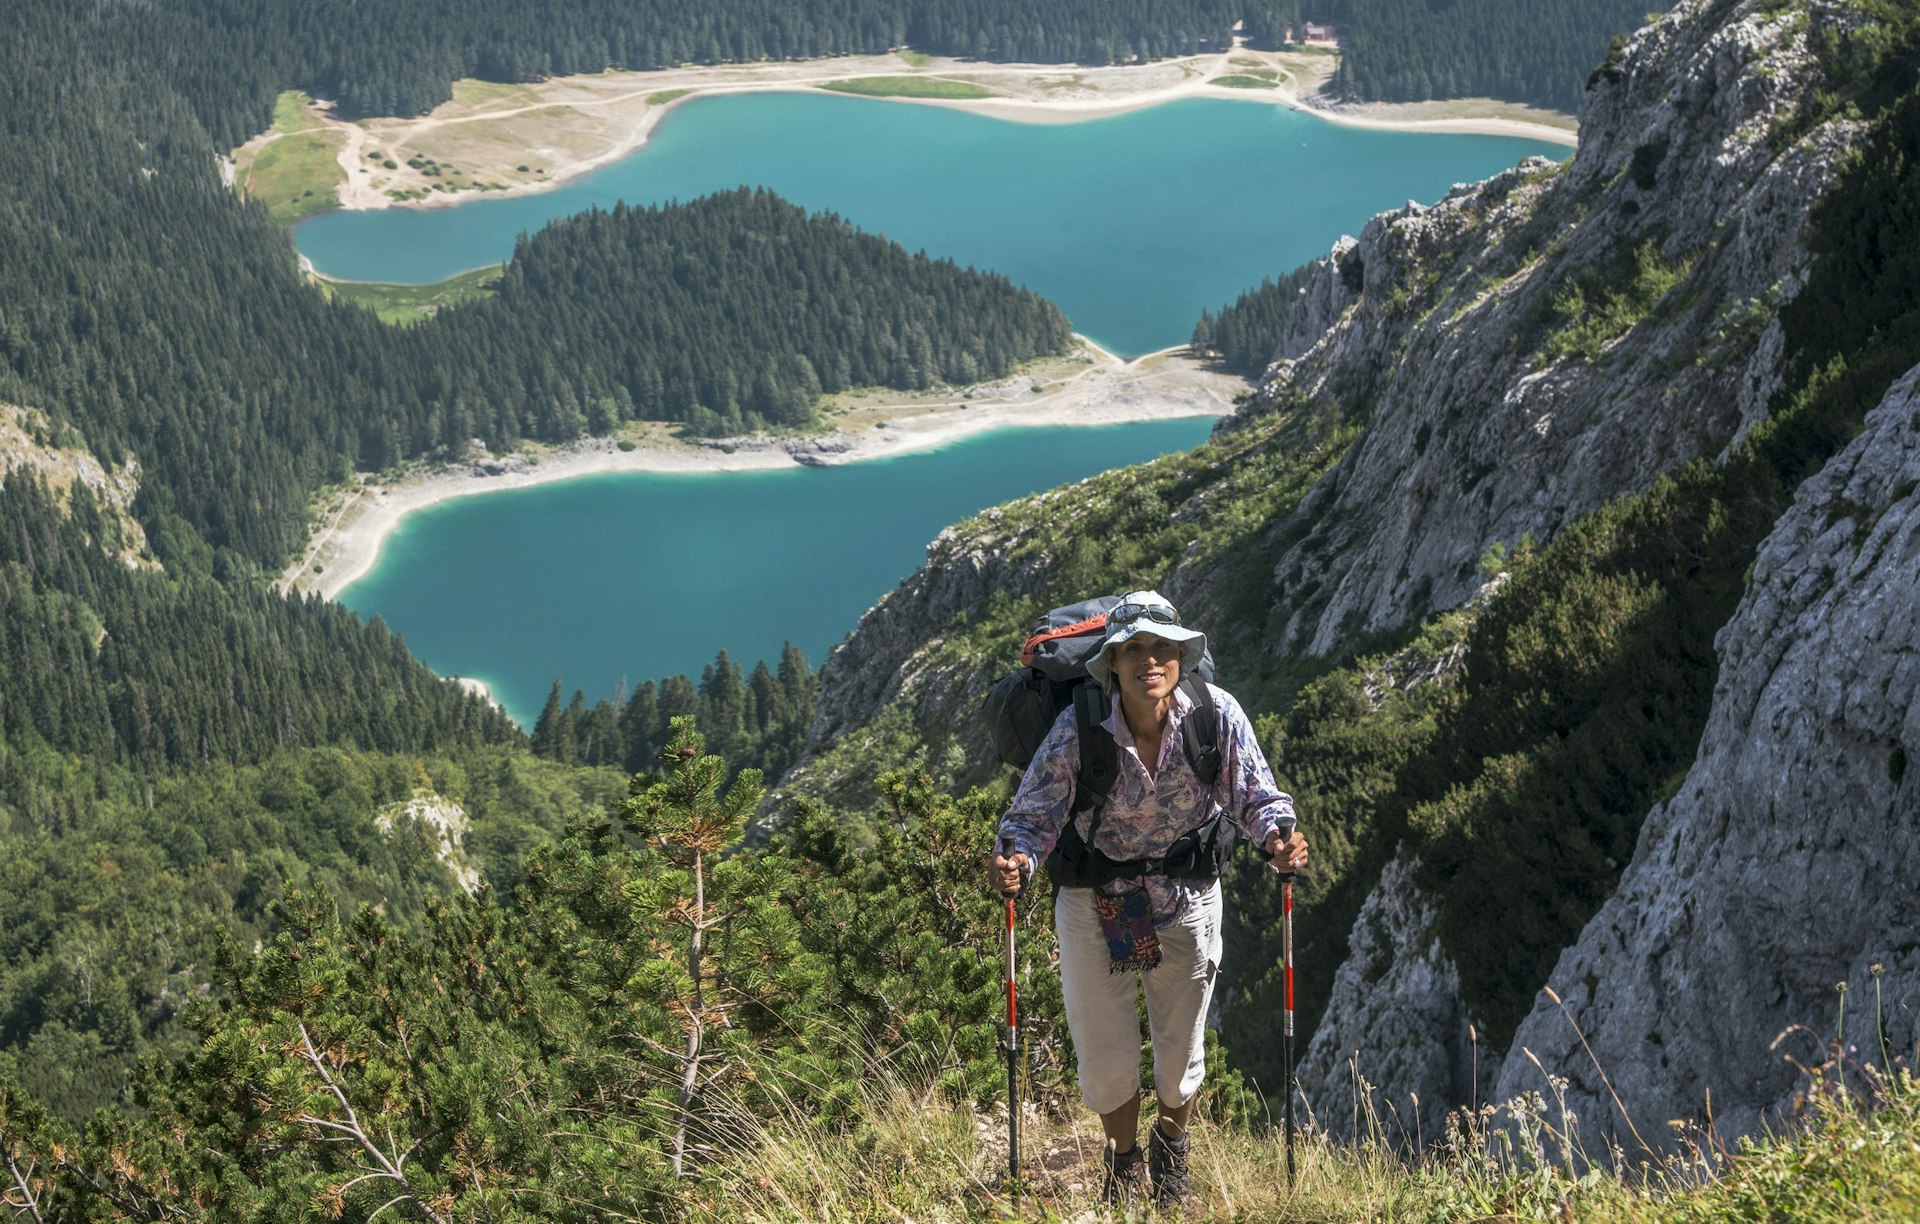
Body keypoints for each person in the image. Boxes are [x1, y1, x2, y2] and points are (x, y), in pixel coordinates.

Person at [989, 590, 1309, 1208]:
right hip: (1095, 898)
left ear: (1183, 656)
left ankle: (1171, 1152)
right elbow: (1032, 815)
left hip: (1185, 892)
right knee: (1105, 1049)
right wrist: (1017, 859)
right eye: (1132, 648)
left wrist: (1278, 838)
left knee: (1181, 1042)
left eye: (1162, 647)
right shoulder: (1077, 729)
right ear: (1110, 662)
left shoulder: (1214, 716)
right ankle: (1122, 1161)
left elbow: (1256, 795)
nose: (1149, 661)